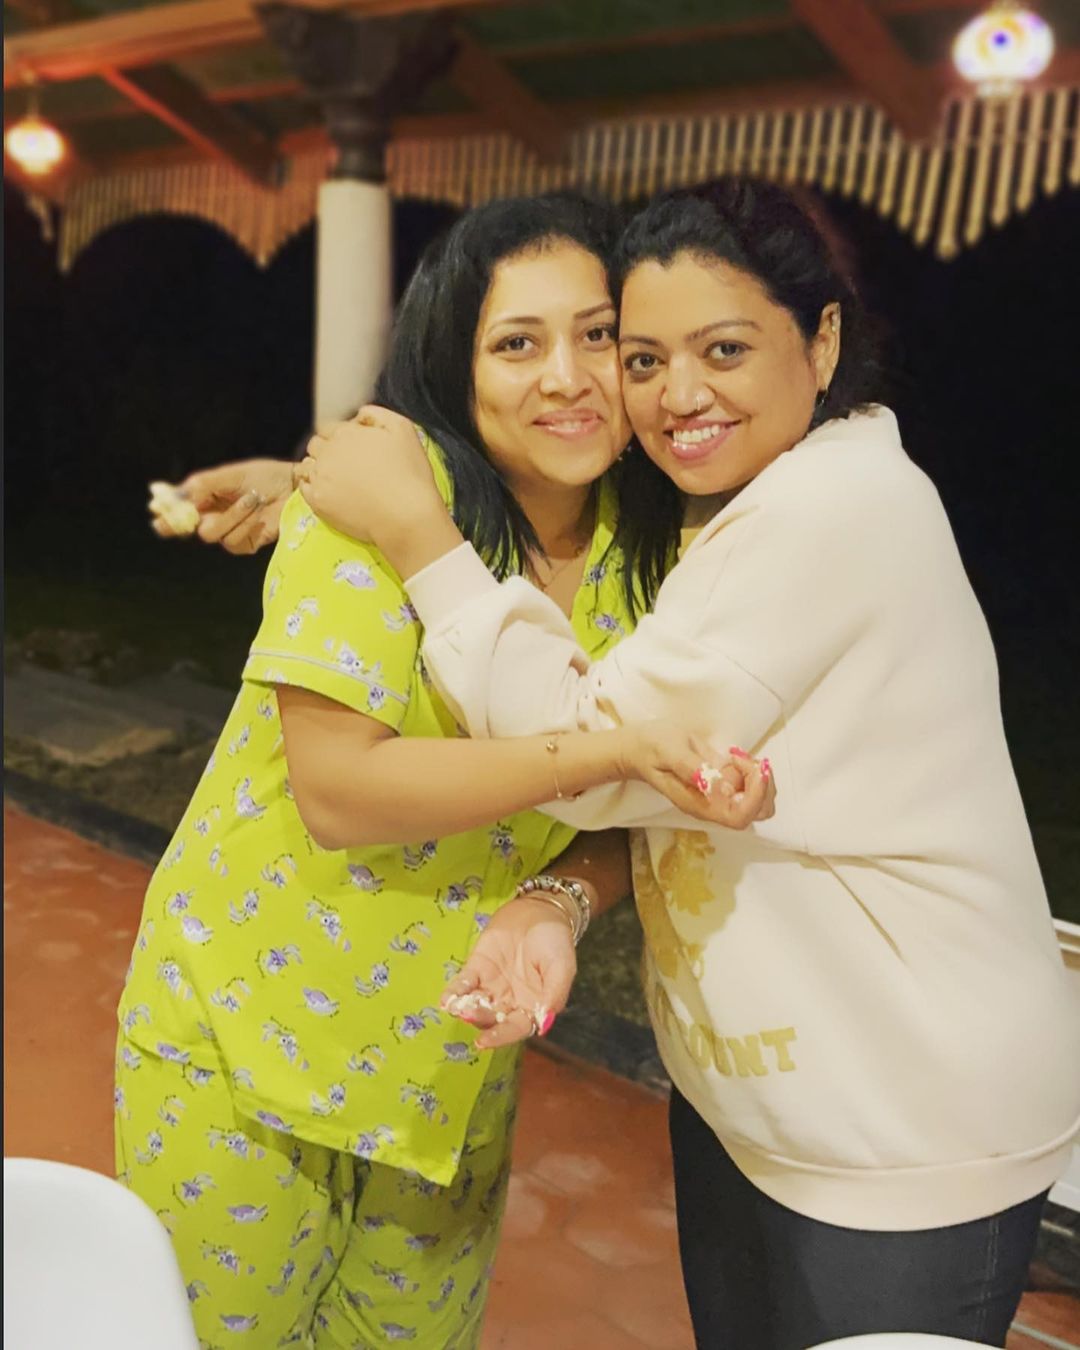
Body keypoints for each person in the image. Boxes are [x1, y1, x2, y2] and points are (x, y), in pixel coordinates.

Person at [294, 178, 1080, 1349]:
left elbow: (591, 745)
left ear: (822, 342)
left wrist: (415, 530)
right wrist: (302, 487)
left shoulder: (834, 507)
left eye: (724, 350)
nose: (677, 396)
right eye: (645, 359)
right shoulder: (735, 508)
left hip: (902, 1124)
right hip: (768, 1107)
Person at [120, 191, 772, 1350]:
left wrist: (560, 898)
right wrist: (606, 750)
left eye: (598, 338)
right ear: (453, 366)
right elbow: (341, 790)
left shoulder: (657, 554)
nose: (566, 377)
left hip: (443, 1074)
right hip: (244, 1037)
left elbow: (632, 813)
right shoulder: (380, 501)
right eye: (516, 343)